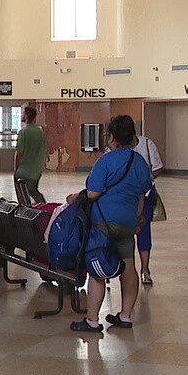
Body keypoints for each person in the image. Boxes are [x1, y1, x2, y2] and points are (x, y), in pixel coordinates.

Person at [69, 115, 153, 333]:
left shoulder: (106, 161)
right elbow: (142, 195)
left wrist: (75, 198)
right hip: (127, 222)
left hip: (103, 222)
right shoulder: (139, 162)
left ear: (112, 137)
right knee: (128, 265)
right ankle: (125, 316)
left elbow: (94, 193)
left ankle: (92, 320)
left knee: (97, 267)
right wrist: (135, 220)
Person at [131, 127, 164, 286]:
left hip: (145, 194)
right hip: (125, 197)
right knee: (123, 234)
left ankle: (145, 269)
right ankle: (127, 269)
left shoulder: (146, 144)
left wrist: (147, 178)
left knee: (143, 231)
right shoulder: (114, 148)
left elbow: (158, 167)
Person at [15, 106, 47, 205]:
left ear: (26, 116)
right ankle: (44, 207)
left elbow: (19, 152)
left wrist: (15, 169)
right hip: (36, 170)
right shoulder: (40, 132)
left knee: (22, 196)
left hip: (24, 171)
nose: (21, 115)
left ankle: (24, 214)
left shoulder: (23, 132)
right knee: (33, 190)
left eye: (22, 113)